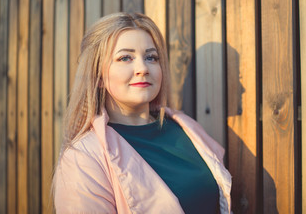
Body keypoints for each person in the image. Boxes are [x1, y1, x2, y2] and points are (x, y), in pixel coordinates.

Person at [53, 12, 232, 214]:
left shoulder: (187, 129)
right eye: (125, 58)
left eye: (151, 57)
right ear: (98, 76)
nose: (142, 68)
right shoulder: (83, 157)